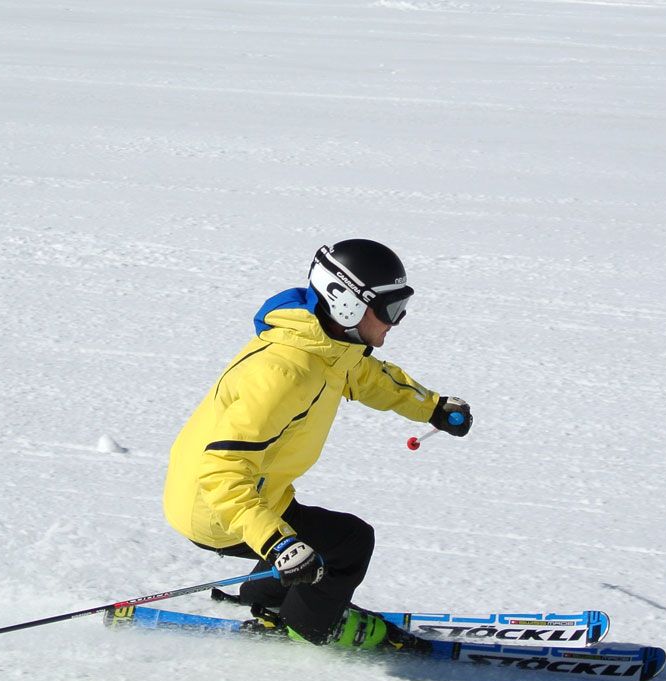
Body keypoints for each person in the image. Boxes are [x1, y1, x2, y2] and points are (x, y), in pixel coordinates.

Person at [163, 239, 472, 649]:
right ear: (346, 302)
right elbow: (221, 473)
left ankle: (266, 599)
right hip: (216, 508)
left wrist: (431, 407)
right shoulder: (284, 374)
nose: (394, 323)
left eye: (401, 309)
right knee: (349, 542)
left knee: (313, 535)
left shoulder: (326, 348)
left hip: (254, 493)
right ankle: (307, 624)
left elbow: (366, 377)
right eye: (389, 310)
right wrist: (279, 545)